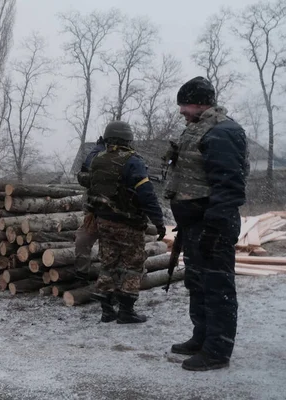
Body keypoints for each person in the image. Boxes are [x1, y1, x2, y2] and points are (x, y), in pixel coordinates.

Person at [164, 77, 248, 371]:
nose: (181, 112)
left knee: (217, 287)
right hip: (195, 224)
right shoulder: (197, 129)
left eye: (184, 105)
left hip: (213, 225)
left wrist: (213, 228)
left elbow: (229, 187)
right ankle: (202, 337)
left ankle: (217, 350)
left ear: (199, 103)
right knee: (197, 283)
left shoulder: (223, 132)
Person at [85, 121, 166, 324]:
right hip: (127, 222)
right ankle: (126, 312)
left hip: (103, 220)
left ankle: (106, 310)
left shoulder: (97, 159)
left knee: (108, 263)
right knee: (132, 265)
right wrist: (158, 221)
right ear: (127, 139)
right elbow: (147, 195)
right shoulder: (132, 161)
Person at [74, 136, 106, 280]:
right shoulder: (97, 157)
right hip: (94, 213)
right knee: (82, 241)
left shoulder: (126, 160)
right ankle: (82, 275)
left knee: (111, 250)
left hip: (115, 216)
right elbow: (84, 176)